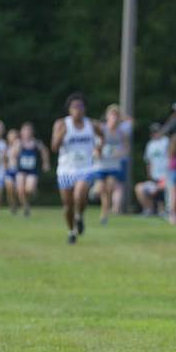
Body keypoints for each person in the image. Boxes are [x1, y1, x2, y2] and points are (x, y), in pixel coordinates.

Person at [52, 93, 103, 244]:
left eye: (81, 107)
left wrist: (99, 148)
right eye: (75, 107)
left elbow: (102, 136)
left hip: (85, 167)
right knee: (68, 205)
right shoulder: (61, 124)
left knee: (79, 195)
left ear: (85, 109)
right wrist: (61, 135)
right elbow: (54, 147)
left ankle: (79, 216)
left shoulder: (91, 124)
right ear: (69, 109)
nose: (78, 110)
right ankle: (71, 231)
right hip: (65, 169)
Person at [96, 105, 133, 224]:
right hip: (101, 163)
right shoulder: (102, 129)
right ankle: (104, 208)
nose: (115, 118)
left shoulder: (122, 132)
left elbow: (127, 148)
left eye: (117, 116)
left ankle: (105, 213)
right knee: (102, 189)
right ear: (107, 117)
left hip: (113, 164)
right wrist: (97, 152)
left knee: (110, 187)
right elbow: (95, 145)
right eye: (113, 116)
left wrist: (121, 153)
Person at [11, 122, 49, 217]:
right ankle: (26, 207)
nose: (27, 133)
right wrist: (14, 162)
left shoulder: (36, 143)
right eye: (25, 131)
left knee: (29, 189)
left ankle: (32, 193)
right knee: (20, 190)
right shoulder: (19, 143)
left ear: (32, 132)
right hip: (21, 169)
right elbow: (13, 154)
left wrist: (45, 163)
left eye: (29, 131)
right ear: (21, 132)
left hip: (32, 170)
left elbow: (44, 152)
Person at [135, 123, 169, 216]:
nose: (155, 133)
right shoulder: (150, 144)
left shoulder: (166, 142)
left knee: (159, 191)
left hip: (166, 177)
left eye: (156, 131)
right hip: (154, 177)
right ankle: (149, 210)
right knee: (139, 188)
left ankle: (163, 210)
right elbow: (148, 161)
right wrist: (149, 175)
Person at [3, 128, 21, 215]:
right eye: (11, 135)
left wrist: (17, 145)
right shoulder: (5, 147)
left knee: (17, 190)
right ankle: (11, 205)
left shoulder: (20, 146)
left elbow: (16, 154)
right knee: (9, 189)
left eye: (15, 135)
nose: (13, 137)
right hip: (8, 171)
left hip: (18, 171)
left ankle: (16, 204)